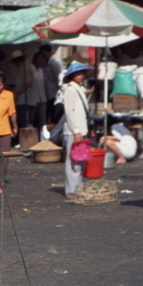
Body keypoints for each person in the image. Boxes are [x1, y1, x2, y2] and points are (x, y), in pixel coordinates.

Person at [58, 61, 93, 197]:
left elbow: (83, 111)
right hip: (74, 130)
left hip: (81, 129)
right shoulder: (70, 90)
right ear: (72, 75)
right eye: (77, 73)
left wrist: (86, 129)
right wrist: (76, 131)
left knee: (79, 160)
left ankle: (77, 187)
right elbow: (69, 112)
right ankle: (72, 189)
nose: (80, 75)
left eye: (81, 73)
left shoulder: (79, 88)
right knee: (72, 161)